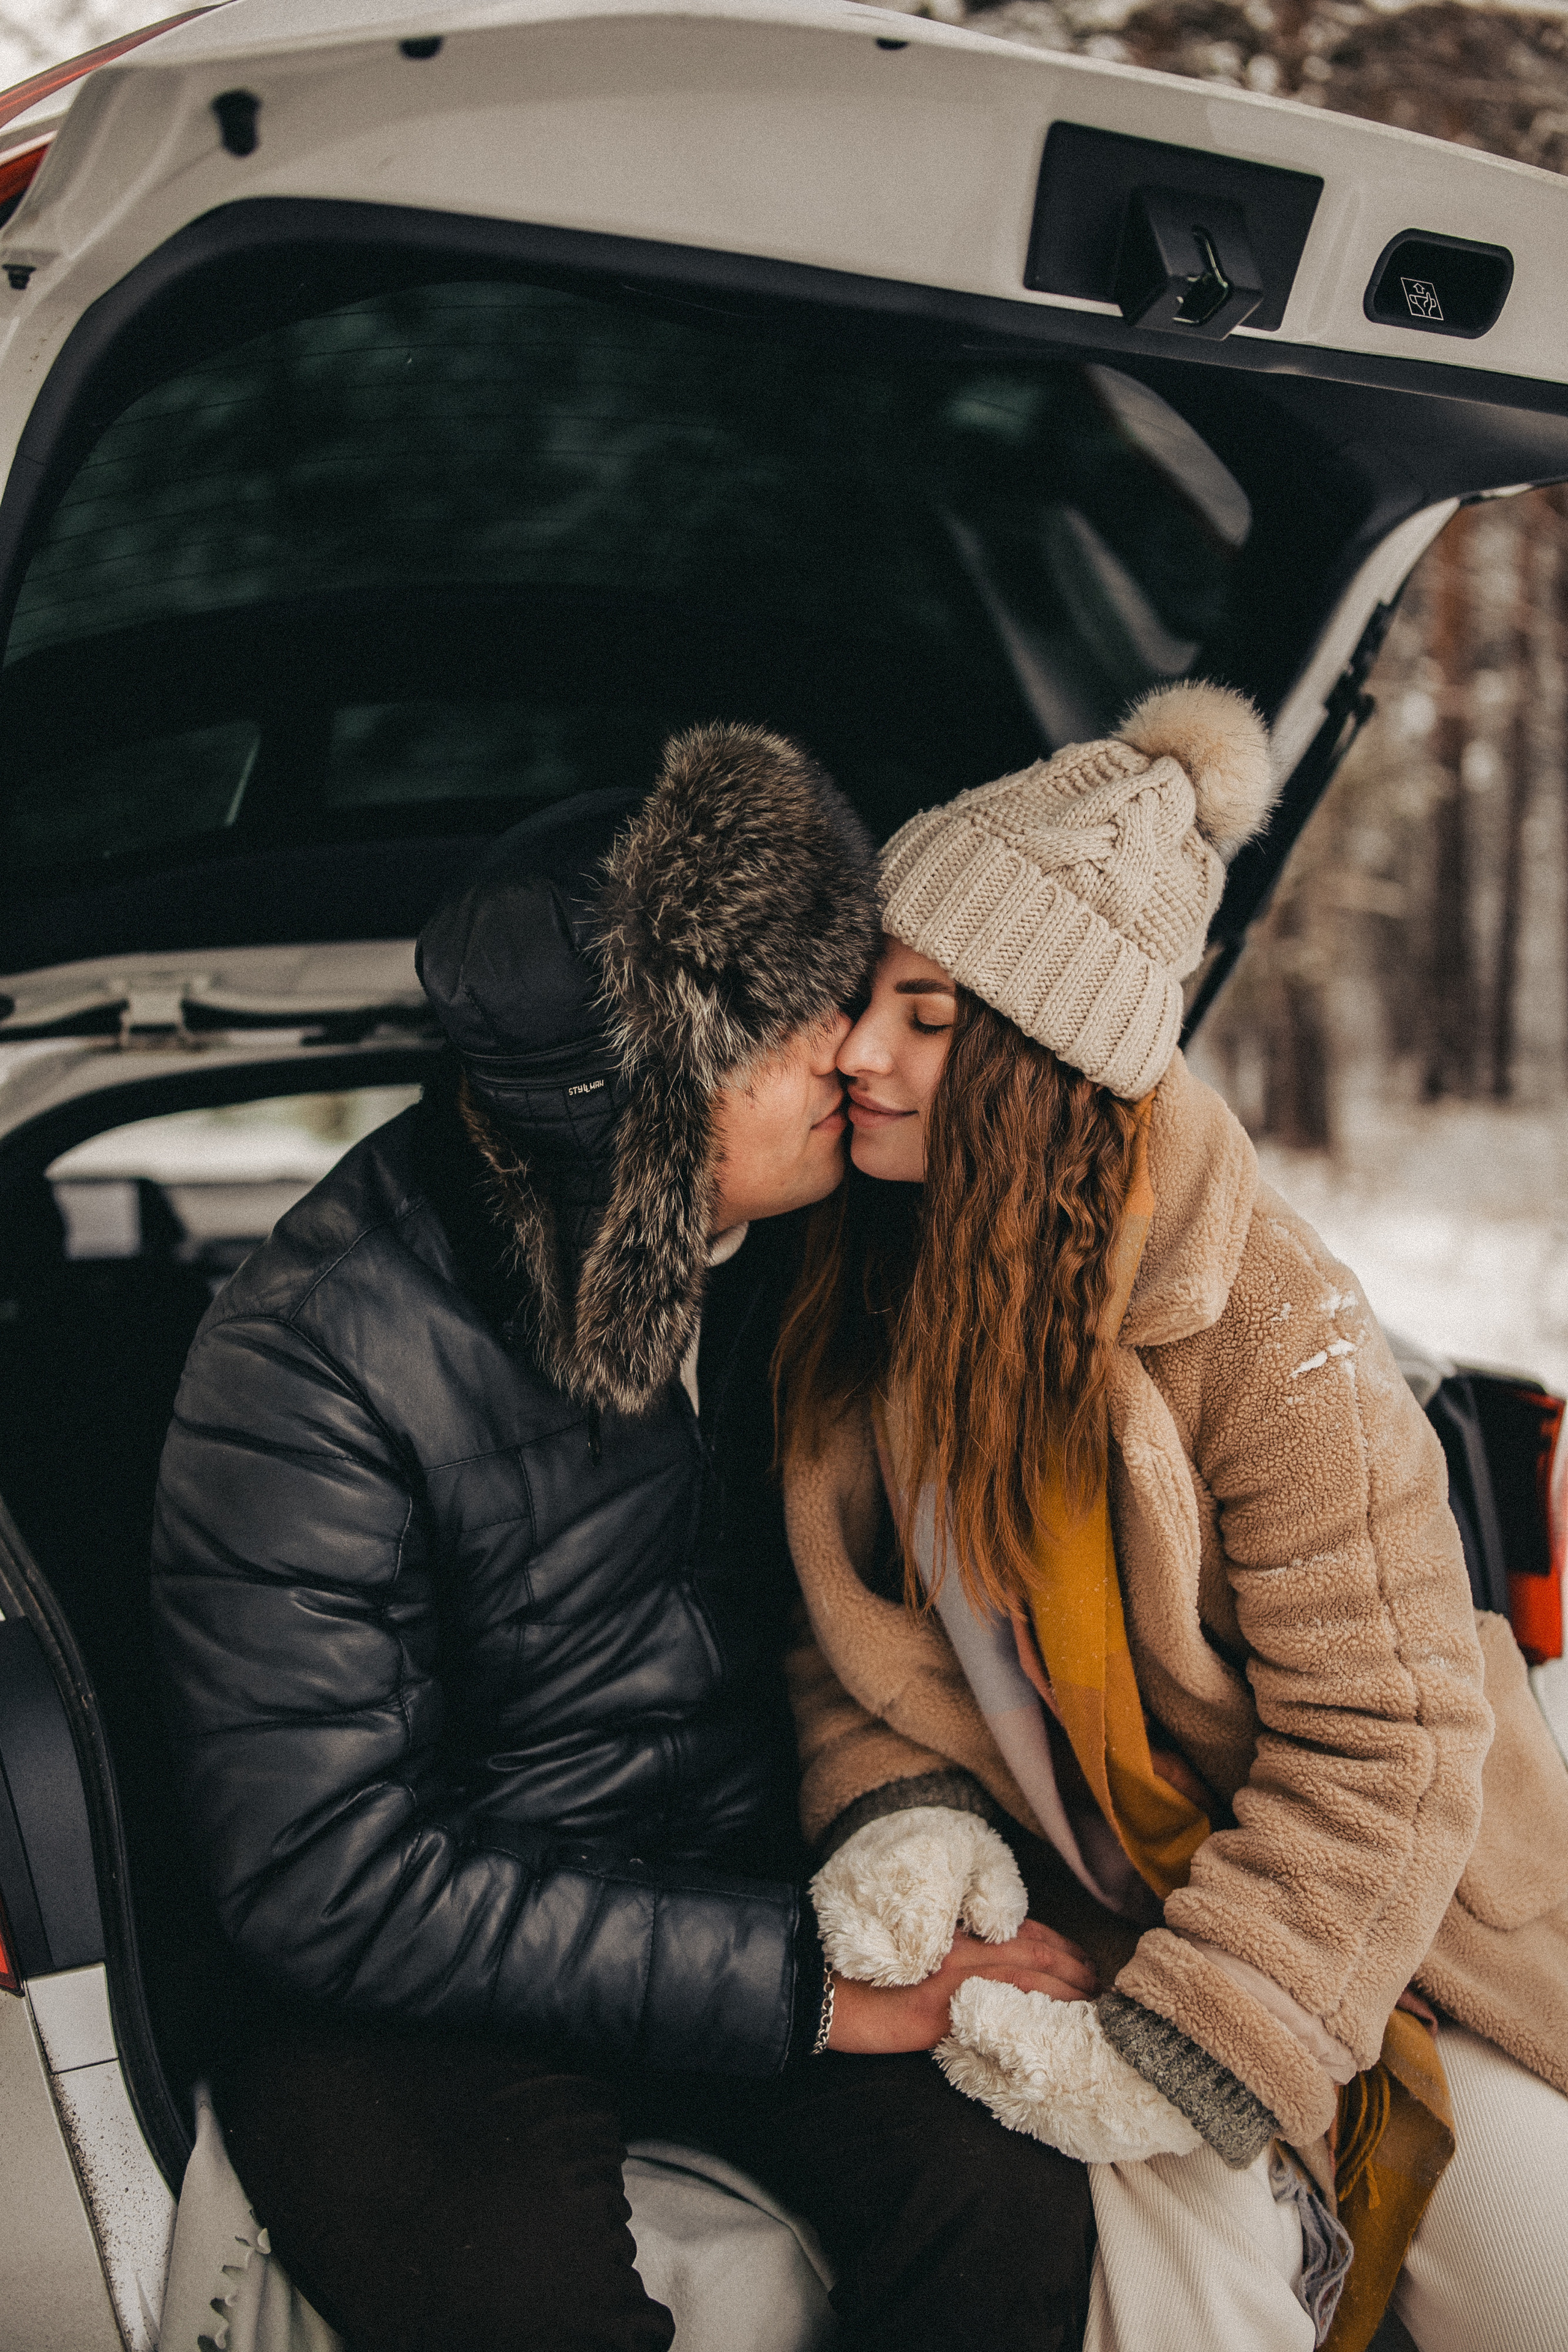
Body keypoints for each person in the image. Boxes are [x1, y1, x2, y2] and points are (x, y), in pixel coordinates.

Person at [150, 723, 1098, 2352]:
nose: (853, 1050)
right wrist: (803, 1985)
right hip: (427, 1979)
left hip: (762, 1871)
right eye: (785, 1029)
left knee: (1006, 2206)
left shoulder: (831, 1239)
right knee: (517, 2303)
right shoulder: (310, 1350)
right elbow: (321, 1873)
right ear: (644, 1122)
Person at [774, 682, 1568, 2352]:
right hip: (1112, 1915)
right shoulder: (873, 1288)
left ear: (1042, 1061)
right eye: (867, 1001)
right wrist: (914, 1829)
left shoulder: (1272, 1329)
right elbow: (858, 1658)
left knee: (1528, 2287)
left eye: (927, 1015)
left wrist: (1194, 2046)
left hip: (1399, 1921)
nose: (857, 1052)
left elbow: (1392, 1744)